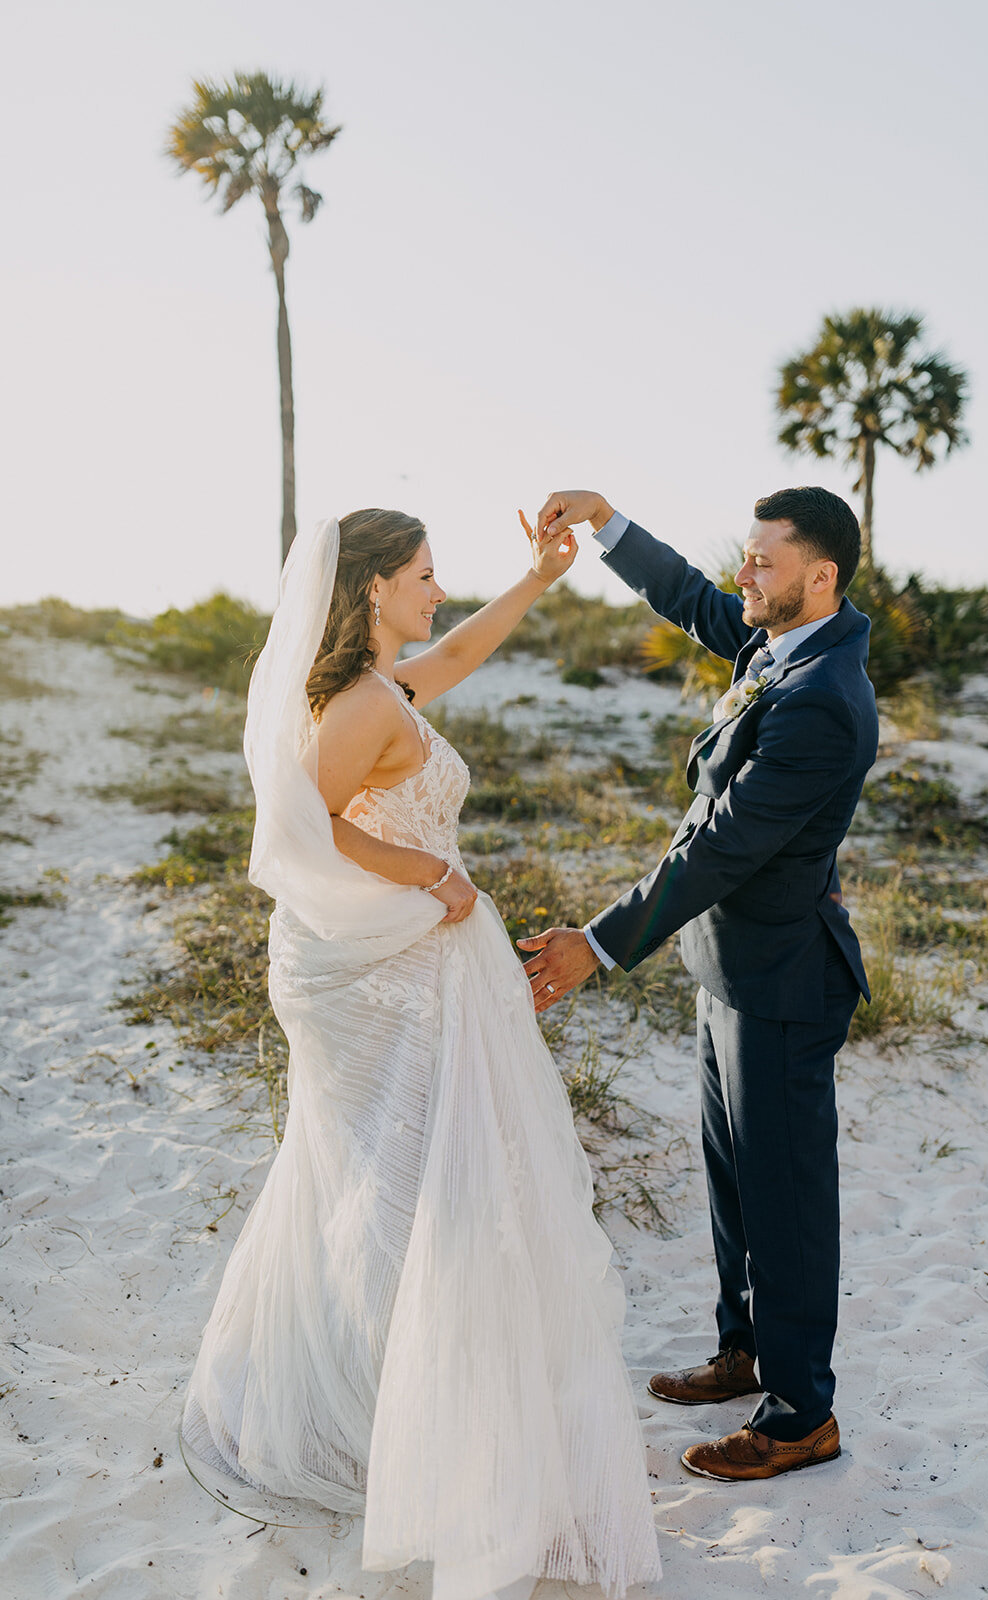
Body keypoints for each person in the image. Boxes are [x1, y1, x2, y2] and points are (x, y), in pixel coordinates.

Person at [180, 508, 661, 1600]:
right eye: (424, 575)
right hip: (382, 970)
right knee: (413, 1199)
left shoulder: (387, 687)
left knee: (411, 1193)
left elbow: (454, 653)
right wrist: (430, 877)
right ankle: (402, 1431)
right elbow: (296, 820)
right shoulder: (354, 703)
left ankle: (404, 1418)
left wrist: (538, 578)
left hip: (416, 966)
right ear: (371, 590)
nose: (436, 591)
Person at [519, 487, 878, 1482]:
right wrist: (607, 525)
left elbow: (720, 848)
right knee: (732, 1181)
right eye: (746, 555)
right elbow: (692, 599)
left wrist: (594, 943)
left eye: (762, 561)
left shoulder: (822, 700)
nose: (742, 575)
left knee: (785, 1195)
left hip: (782, 979)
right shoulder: (781, 640)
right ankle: (742, 1350)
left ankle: (801, 1409)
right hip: (725, 966)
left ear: (820, 576)